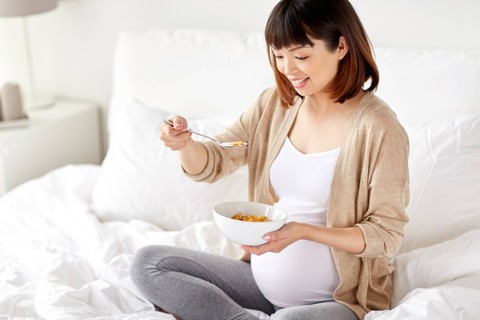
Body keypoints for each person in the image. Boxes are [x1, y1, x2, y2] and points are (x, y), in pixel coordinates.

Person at [129, 0, 410, 319]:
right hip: (258, 285)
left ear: (341, 46)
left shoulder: (379, 127)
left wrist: (303, 231)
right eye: (278, 56)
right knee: (149, 264)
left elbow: (386, 236)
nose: (287, 69)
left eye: (301, 56)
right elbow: (215, 160)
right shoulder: (276, 106)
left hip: (337, 302)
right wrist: (183, 144)